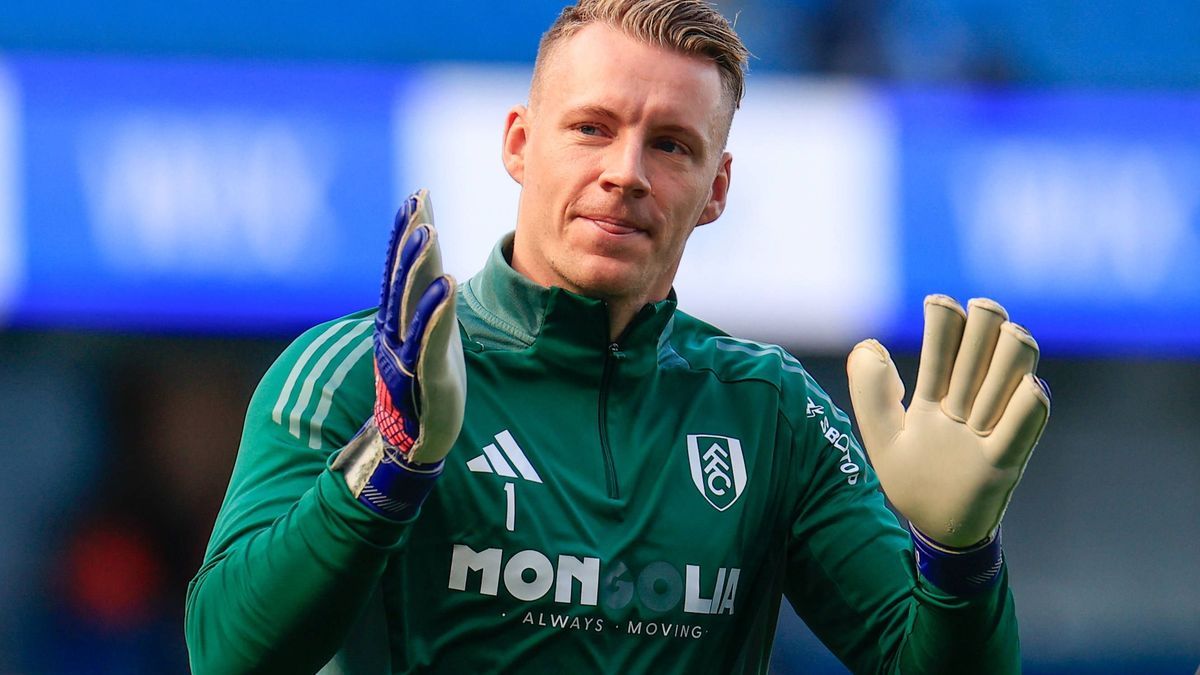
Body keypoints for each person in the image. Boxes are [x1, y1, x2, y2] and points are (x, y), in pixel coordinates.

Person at [185, 1, 1050, 673]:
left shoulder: (769, 411)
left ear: (716, 188)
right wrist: (395, 457)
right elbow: (228, 655)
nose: (625, 173)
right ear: (521, 144)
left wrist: (958, 559)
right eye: (592, 127)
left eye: (672, 146)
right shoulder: (353, 374)